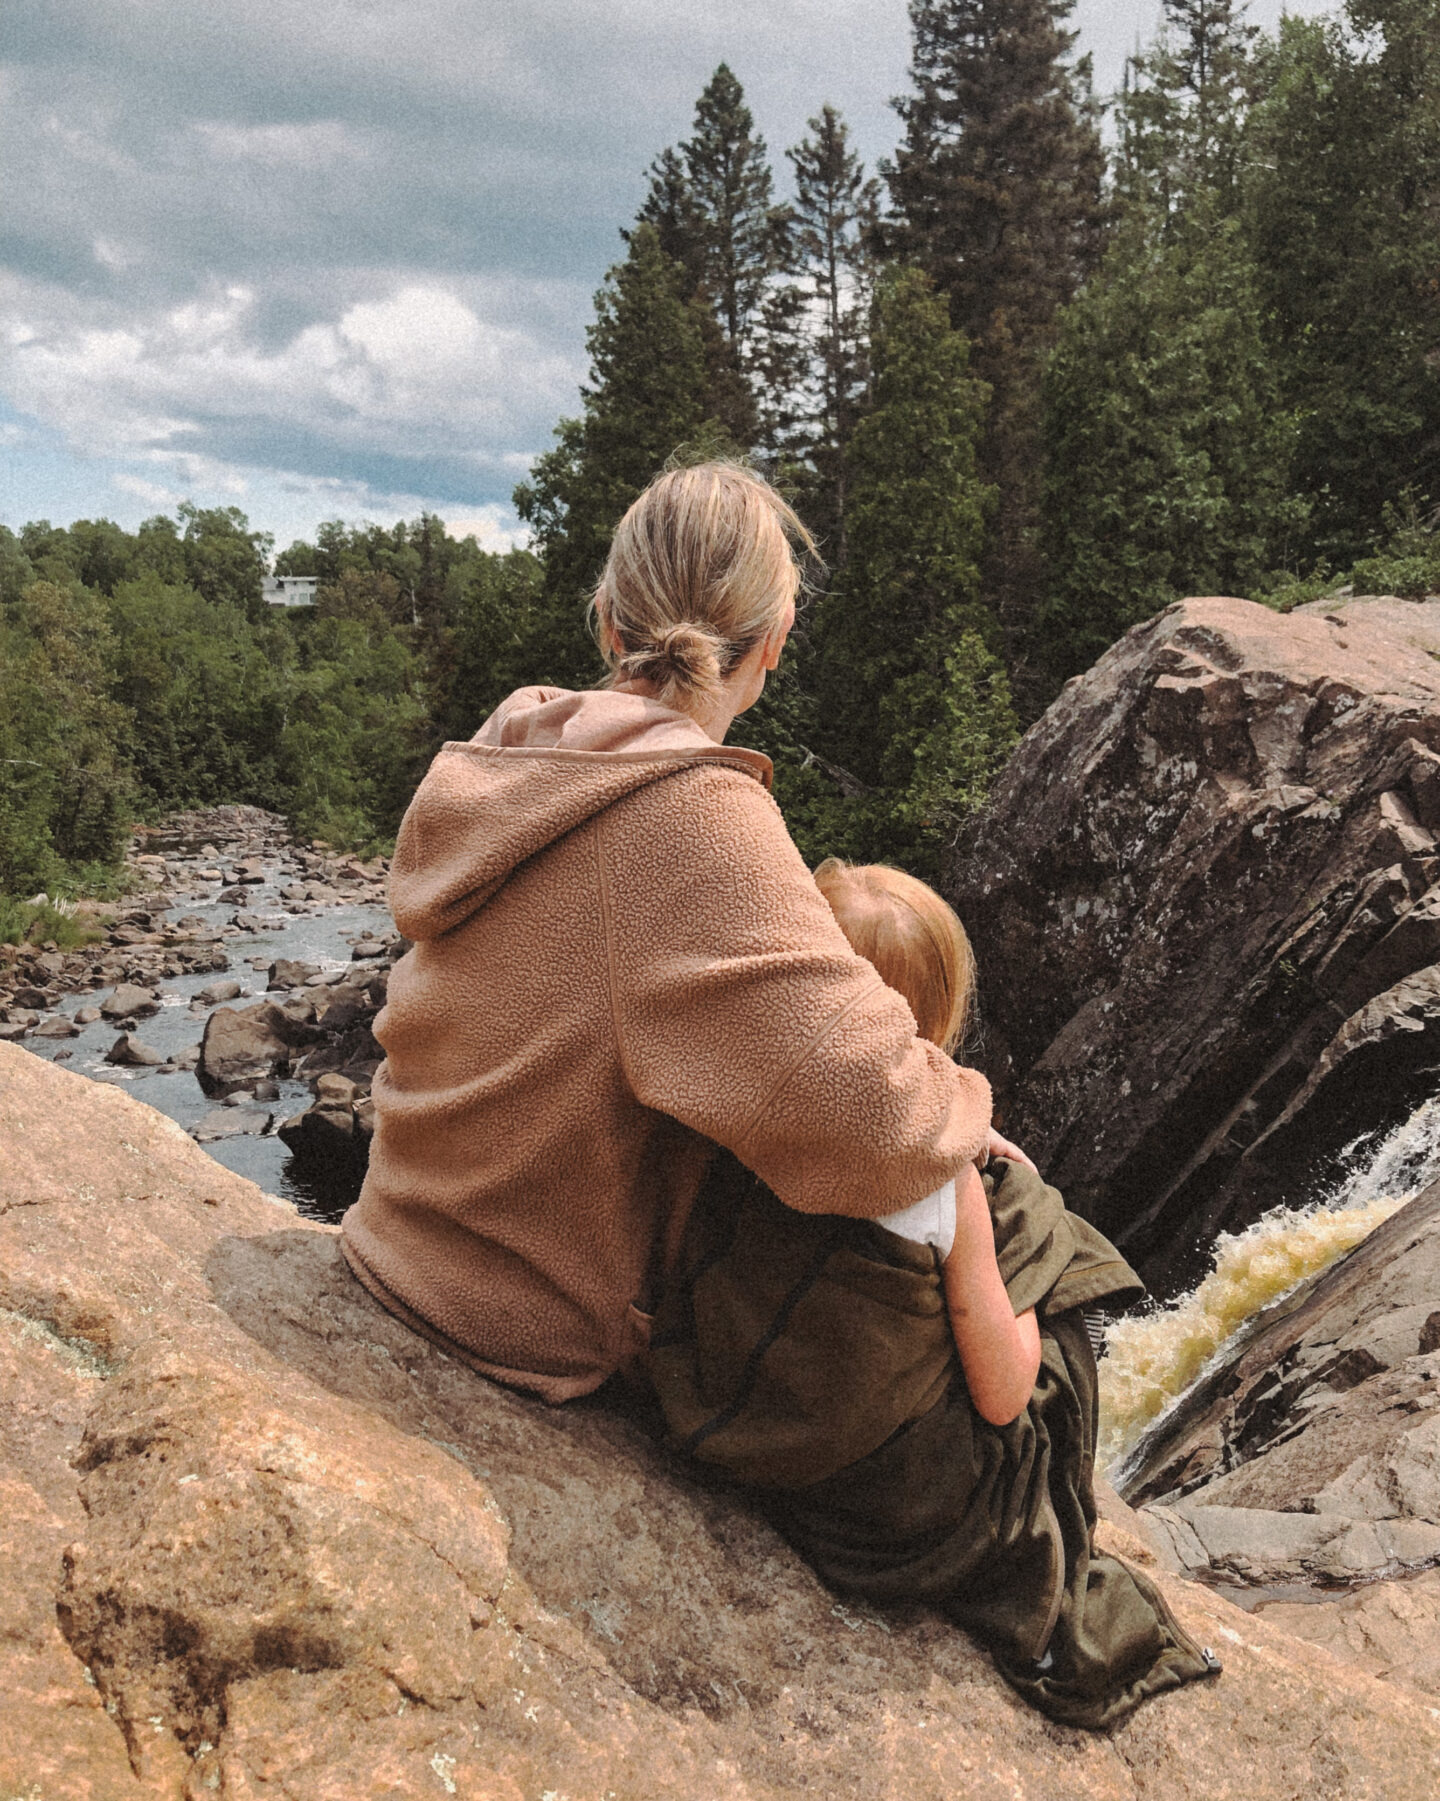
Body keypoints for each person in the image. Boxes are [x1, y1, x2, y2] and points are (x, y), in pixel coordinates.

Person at [341, 460, 1007, 1405]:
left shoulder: (519, 753)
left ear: (610, 620)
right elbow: (877, 1118)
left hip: (398, 1234)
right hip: (517, 1319)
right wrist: (970, 1111)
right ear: (775, 639)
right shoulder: (692, 816)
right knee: (1021, 1229)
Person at [648, 858, 1221, 1729]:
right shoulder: (938, 1179)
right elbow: (998, 1396)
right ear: (938, 1020)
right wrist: (982, 1195)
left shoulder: (733, 1080)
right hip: (874, 1512)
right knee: (1035, 1213)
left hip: (719, 1399)